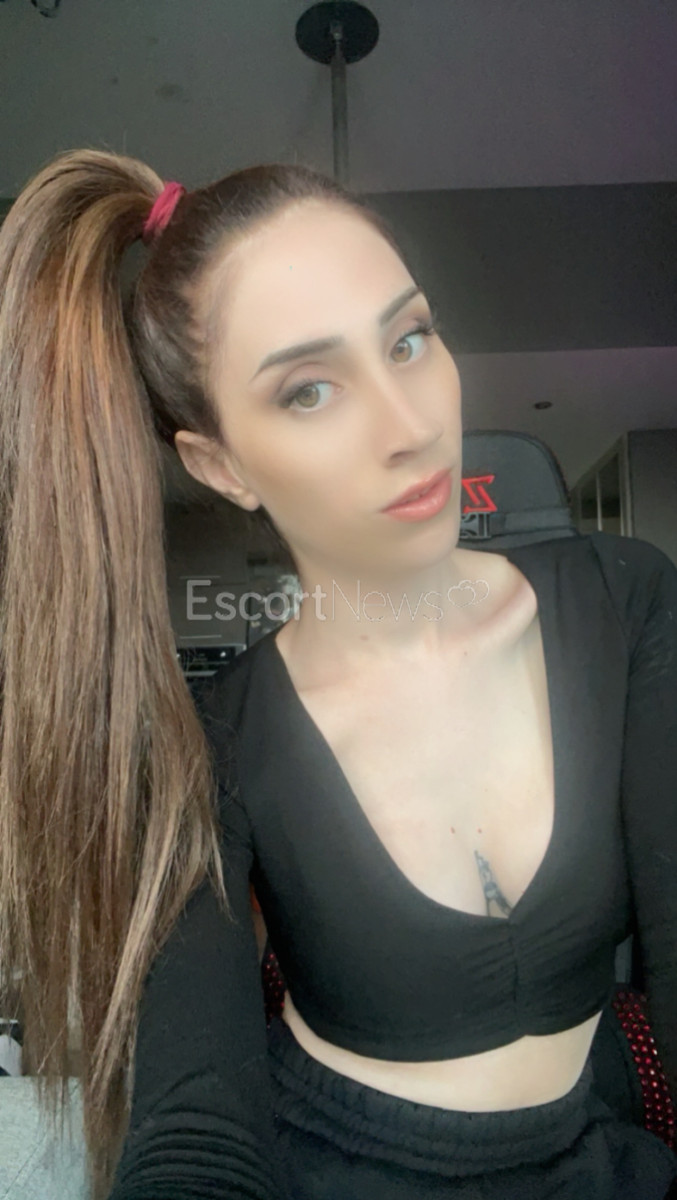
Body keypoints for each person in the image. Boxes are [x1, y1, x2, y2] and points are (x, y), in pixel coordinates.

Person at [0, 150, 675, 1200]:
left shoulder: (624, 601)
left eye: (408, 339)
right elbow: (194, 1125)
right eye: (308, 390)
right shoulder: (208, 742)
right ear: (221, 464)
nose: (410, 428)